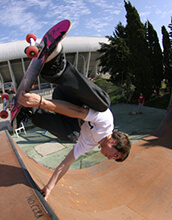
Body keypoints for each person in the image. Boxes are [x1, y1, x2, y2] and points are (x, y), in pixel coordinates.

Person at [18, 44, 131, 200]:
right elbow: (78, 111)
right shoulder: (106, 123)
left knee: (71, 136)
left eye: (113, 159)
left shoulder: (88, 144)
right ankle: (58, 68)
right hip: (68, 90)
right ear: (114, 141)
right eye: (115, 154)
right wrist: (41, 101)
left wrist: (49, 187)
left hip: (62, 101)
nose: (109, 158)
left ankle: (30, 113)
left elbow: (66, 163)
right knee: (104, 103)